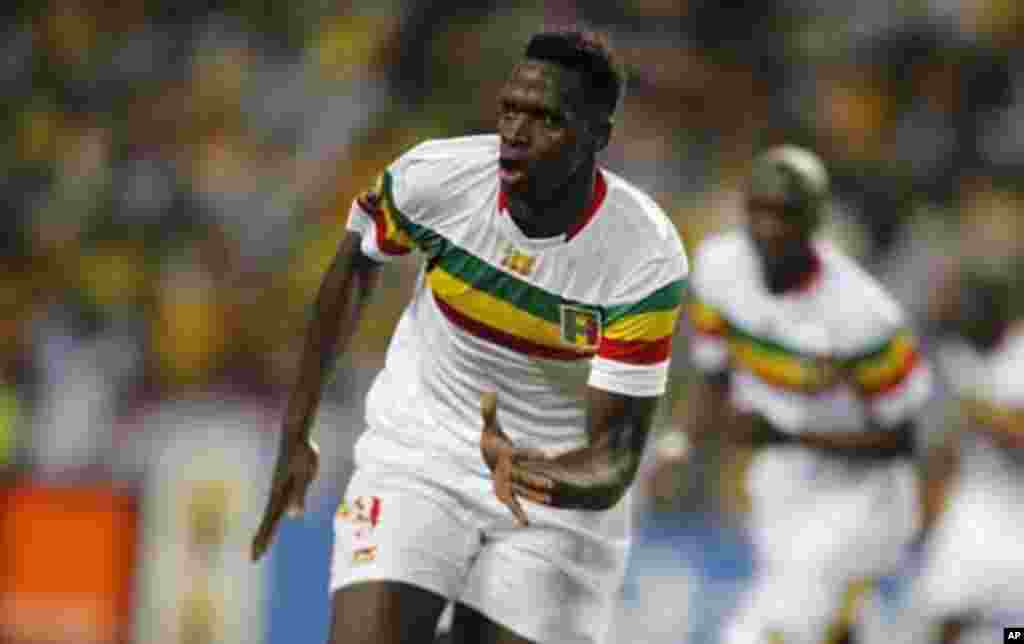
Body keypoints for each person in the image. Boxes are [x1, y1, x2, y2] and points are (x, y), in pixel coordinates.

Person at [250, 29, 689, 644]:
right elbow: (354, 267)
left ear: (597, 136)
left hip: (558, 497)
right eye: (510, 109)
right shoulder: (435, 178)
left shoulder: (643, 257)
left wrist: (531, 474)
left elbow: (613, 459)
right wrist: (296, 434)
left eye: (546, 120)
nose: (515, 132)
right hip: (420, 453)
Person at [679, 145, 933, 644]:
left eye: (787, 214)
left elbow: (902, 439)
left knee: (774, 630)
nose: (770, 227)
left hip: (859, 496)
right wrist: (680, 447)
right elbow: (713, 375)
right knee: (825, 627)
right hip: (778, 483)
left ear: (814, 220)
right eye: (760, 210)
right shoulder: (716, 267)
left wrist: (786, 436)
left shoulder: (865, 316)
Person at [886, 265, 1024, 644]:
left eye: (973, 309)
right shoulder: (958, 355)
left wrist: (984, 413)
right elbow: (945, 447)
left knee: (1014, 629)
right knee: (940, 618)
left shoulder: (1019, 356)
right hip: (976, 503)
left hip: (1016, 512)